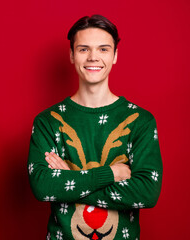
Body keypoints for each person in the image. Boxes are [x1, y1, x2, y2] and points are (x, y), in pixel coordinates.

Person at [28, 15, 162, 240]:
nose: (93, 57)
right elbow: (43, 187)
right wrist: (110, 174)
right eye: (83, 49)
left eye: (103, 49)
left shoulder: (140, 120)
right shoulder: (48, 121)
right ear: (71, 55)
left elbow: (147, 192)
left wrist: (70, 178)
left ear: (115, 55)